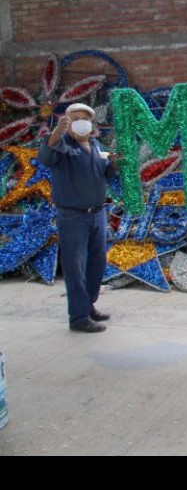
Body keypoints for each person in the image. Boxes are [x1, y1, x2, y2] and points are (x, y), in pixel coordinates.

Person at [38, 104, 120, 334]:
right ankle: (78, 317)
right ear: (67, 122)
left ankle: (88, 305)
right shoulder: (62, 145)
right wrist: (56, 133)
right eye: (75, 118)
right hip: (73, 216)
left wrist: (114, 164)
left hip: (97, 214)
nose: (81, 122)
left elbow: (104, 173)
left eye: (85, 118)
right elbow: (45, 157)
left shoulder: (95, 145)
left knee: (96, 263)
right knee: (75, 267)